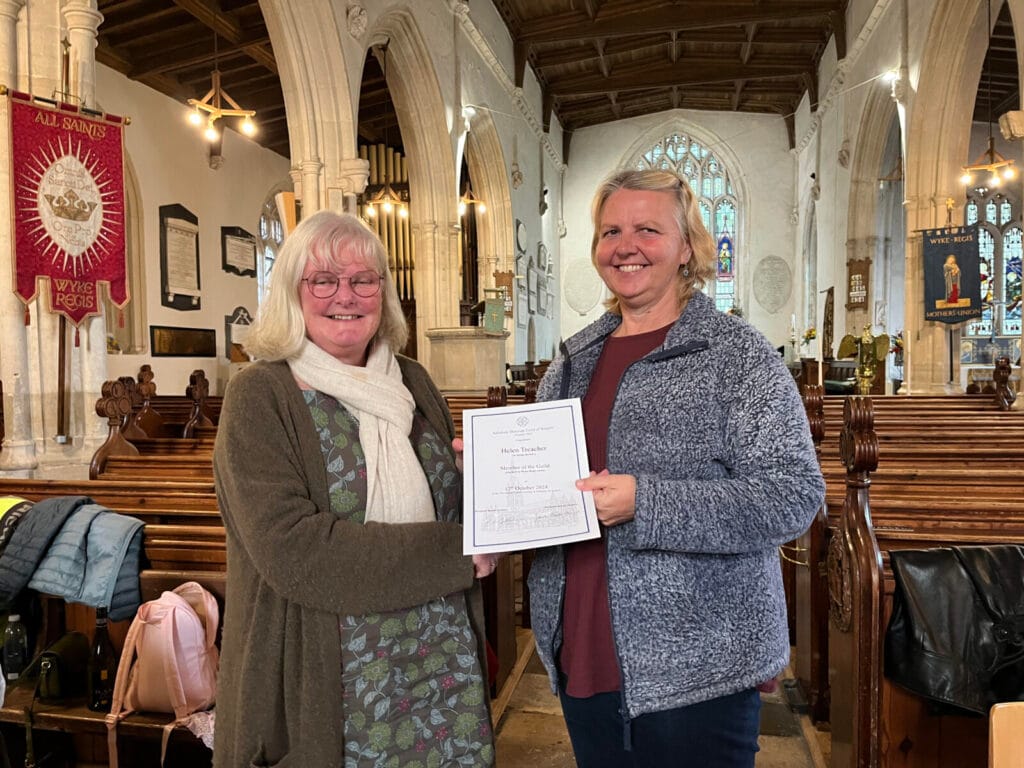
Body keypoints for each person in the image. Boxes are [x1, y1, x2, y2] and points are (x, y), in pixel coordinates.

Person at [527, 168, 825, 768]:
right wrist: (493, 481)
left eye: (648, 230)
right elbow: (548, 486)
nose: (625, 246)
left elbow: (794, 495)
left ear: (687, 246)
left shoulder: (737, 355)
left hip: (700, 667)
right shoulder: (572, 361)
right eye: (611, 231)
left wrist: (648, 503)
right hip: (582, 649)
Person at [213, 211, 497, 768]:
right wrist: (458, 552)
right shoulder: (259, 396)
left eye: (363, 279)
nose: (345, 295)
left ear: (382, 292)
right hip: (334, 680)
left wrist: (483, 480)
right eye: (323, 280)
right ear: (292, 291)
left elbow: (449, 506)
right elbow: (298, 553)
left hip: (439, 662)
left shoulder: (412, 380)